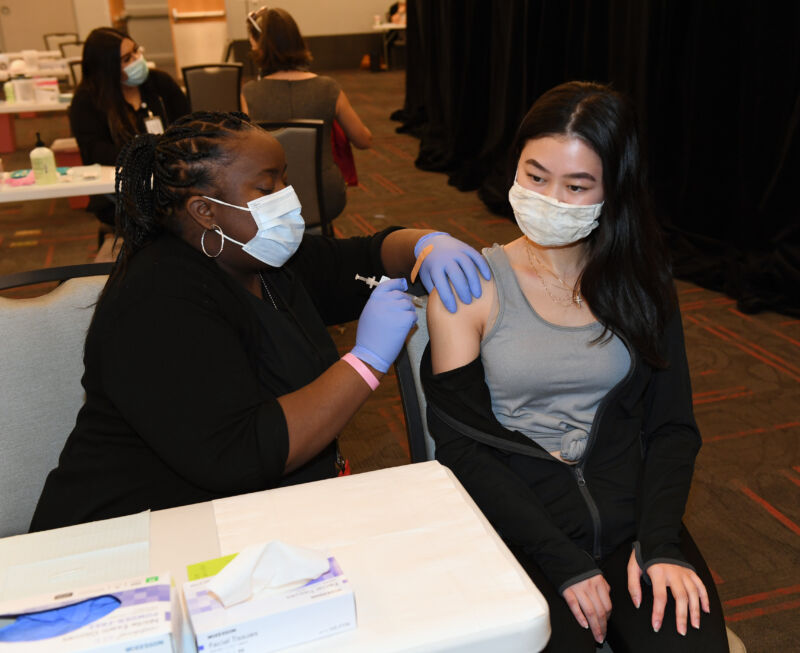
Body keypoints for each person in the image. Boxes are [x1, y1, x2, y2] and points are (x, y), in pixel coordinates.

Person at [30, 111, 490, 532]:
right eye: (266, 188)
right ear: (205, 211)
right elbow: (239, 453)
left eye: (285, 182)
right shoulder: (156, 300)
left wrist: (425, 244)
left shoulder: (260, 257)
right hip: (134, 538)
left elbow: (368, 255)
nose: (287, 200)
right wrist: (364, 363)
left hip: (251, 516)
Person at [422, 82, 729, 652]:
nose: (550, 198)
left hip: (629, 519)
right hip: (520, 525)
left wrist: (659, 544)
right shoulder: (469, 289)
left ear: (614, 191)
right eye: (535, 176)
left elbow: (671, 427)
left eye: (577, 185)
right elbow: (461, 447)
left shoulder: (643, 283)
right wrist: (561, 561)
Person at [240, 7, 372, 223]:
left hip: (272, 198)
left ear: (259, 47)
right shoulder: (328, 88)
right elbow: (364, 140)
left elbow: (244, 152)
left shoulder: (250, 92)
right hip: (325, 197)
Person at [68, 27, 190, 227]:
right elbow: (96, 152)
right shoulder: (88, 101)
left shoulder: (160, 83)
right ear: (107, 69)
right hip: (122, 190)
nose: (137, 60)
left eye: (136, 51)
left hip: (171, 179)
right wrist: (152, 154)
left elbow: (188, 126)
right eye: (126, 59)